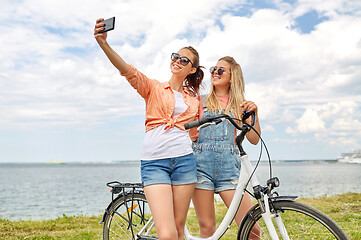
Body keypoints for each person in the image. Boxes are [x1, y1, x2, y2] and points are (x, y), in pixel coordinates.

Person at [94, 18, 204, 240]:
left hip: (185, 161)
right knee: (168, 234)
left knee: (179, 228)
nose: (178, 61)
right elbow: (127, 71)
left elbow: (195, 134)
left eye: (185, 60)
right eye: (176, 56)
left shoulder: (194, 100)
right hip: (155, 163)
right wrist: (104, 43)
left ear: (192, 69)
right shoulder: (153, 88)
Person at [190, 56, 261, 238]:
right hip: (200, 167)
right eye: (214, 69)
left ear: (232, 77)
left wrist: (254, 114)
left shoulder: (241, 105)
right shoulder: (199, 101)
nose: (214, 72)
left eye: (220, 70)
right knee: (207, 228)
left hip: (229, 169)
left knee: (252, 228)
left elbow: (254, 139)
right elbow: (190, 133)